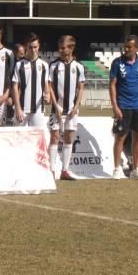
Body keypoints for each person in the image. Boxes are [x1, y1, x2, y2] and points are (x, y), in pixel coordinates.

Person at [109, 35, 138, 180]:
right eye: (125, 46)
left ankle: (136, 169)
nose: (126, 49)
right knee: (120, 137)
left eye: (129, 47)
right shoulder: (117, 63)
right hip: (123, 106)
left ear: (136, 47)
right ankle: (116, 169)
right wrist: (115, 106)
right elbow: (112, 85)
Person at [48, 35, 86, 181]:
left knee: (69, 138)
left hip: (71, 109)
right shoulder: (54, 65)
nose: (60, 50)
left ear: (71, 48)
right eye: (59, 47)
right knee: (55, 137)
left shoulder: (79, 66)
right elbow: (50, 86)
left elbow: (81, 88)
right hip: (57, 109)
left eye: (63, 47)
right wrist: (55, 104)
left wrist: (76, 106)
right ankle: (51, 170)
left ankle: (65, 170)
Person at [11, 33, 50, 128]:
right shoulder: (19, 65)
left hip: (38, 109)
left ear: (39, 46)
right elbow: (15, 87)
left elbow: (45, 84)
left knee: (36, 139)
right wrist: (17, 108)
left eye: (35, 47)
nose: (33, 50)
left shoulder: (44, 65)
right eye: (30, 47)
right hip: (22, 109)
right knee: (19, 139)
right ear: (26, 47)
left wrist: (48, 95)